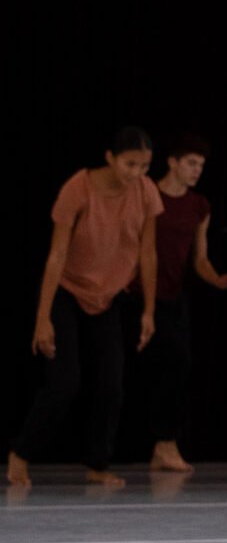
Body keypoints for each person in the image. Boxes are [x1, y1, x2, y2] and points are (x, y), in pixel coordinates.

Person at [9, 125, 160, 489]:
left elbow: (147, 253)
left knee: (111, 386)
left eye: (144, 166)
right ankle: (20, 454)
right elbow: (57, 254)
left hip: (108, 296)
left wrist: (148, 311)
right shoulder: (79, 188)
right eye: (130, 164)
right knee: (64, 382)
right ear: (110, 158)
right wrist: (43, 317)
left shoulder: (146, 192)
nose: (137, 174)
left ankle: (97, 464)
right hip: (67, 291)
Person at [141, 130, 227, 477]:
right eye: (191, 163)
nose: (197, 170)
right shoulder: (147, 194)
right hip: (135, 294)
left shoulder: (199, 206)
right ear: (172, 162)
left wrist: (216, 278)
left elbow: (199, 258)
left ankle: (165, 444)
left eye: (201, 165)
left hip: (172, 297)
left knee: (179, 365)